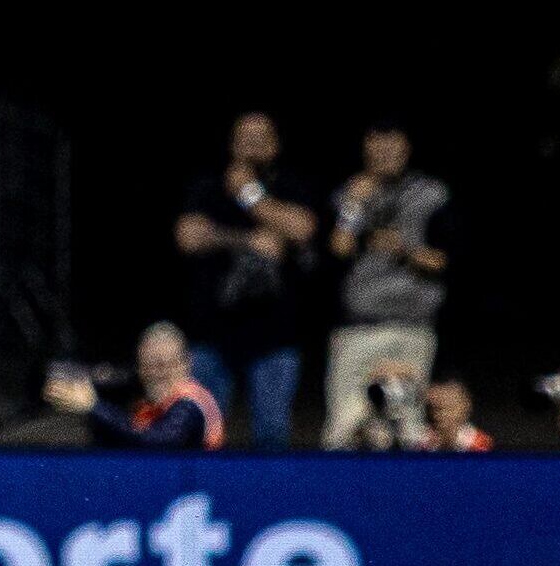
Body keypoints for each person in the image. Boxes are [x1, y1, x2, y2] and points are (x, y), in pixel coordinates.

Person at [172, 112, 319, 450]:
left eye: (261, 137)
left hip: (274, 336)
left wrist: (249, 195)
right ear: (231, 143)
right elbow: (188, 236)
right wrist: (248, 240)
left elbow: (302, 228)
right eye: (245, 137)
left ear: (276, 144)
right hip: (212, 334)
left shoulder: (290, 186)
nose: (252, 143)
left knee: (272, 435)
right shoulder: (208, 186)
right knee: (201, 434)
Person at [323, 121, 454, 449]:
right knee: (345, 430)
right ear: (365, 148)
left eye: (392, 144)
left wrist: (404, 250)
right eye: (377, 144)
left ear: (407, 147)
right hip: (358, 331)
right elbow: (337, 251)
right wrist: (353, 206)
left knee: (408, 432)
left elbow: (447, 261)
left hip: (412, 330)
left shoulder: (431, 194)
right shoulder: (349, 193)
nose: (385, 152)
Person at [43, 321, 223, 451]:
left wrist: (94, 406)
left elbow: (160, 442)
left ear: (187, 364)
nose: (161, 373)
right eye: (152, 364)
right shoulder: (148, 404)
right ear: (139, 368)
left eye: (170, 363)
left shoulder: (191, 404)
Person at [415, 376, 490, 453]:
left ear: (464, 408)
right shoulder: (423, 443)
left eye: (448, 408)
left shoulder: (479, 444)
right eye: (434, 409)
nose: (440, 415)